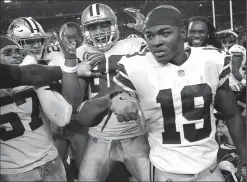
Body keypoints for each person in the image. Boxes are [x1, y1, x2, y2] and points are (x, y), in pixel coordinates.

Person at [108, 5, 245, 181]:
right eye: (150, 36)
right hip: (168, 174)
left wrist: (245, 158)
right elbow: (113, 94)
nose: (156, 42)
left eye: (165, 33)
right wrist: (117, 97)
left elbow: (232, 114)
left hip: (209, 171)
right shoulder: (136, 66)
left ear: (182, 33)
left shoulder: (211, 60)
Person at [62, 3, 150, 181]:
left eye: (104, 24)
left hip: (135, 132)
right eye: (92, 27)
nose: (99, 31)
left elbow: (157, 73)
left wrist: (147, 35)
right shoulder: (80, 52)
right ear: (85, 31)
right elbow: (72, 100)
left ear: (114, 24)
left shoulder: (134, 44)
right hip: (99, 136)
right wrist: (71, 62)